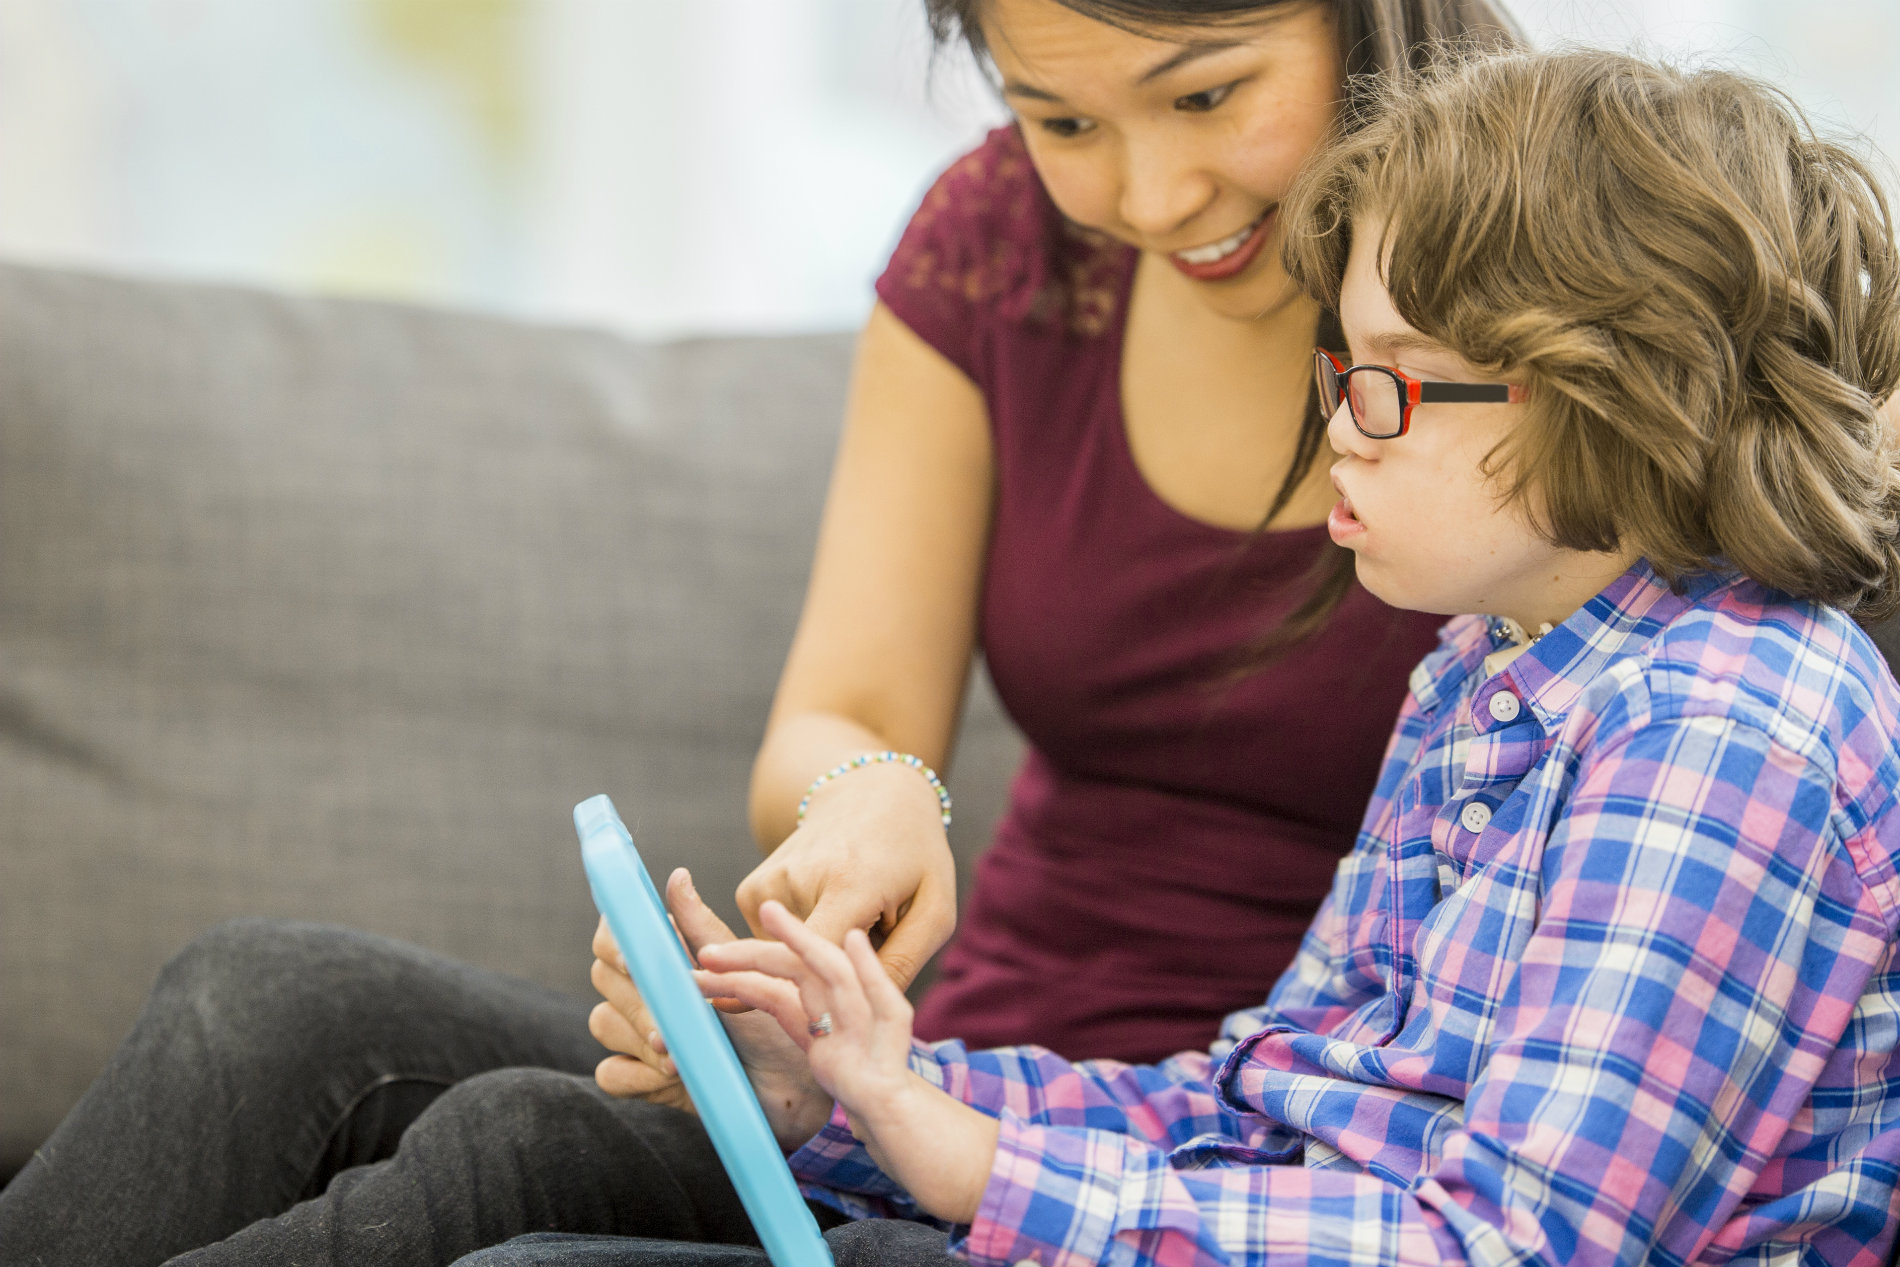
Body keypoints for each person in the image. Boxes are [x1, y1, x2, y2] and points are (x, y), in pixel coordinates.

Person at [668, 46, 1900, 1266]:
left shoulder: (1724, 738)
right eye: (1343, 368)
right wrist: (848, 1094)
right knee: (540, 1147)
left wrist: (983, 1172)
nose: (1338, 431)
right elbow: (1264, 1111)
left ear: (1619, 401)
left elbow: (1510, 1247)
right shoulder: (1481, 672)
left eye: (1395, 384)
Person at [712, 0, 1520, 1085]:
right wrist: (874, 788)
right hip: (959, 1078)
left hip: (1301, 1145)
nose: (1153, 201)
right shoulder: (999, 246)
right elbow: (842, 709)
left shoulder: (1568, 289)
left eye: (1204, 95)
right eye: (1063, 123)